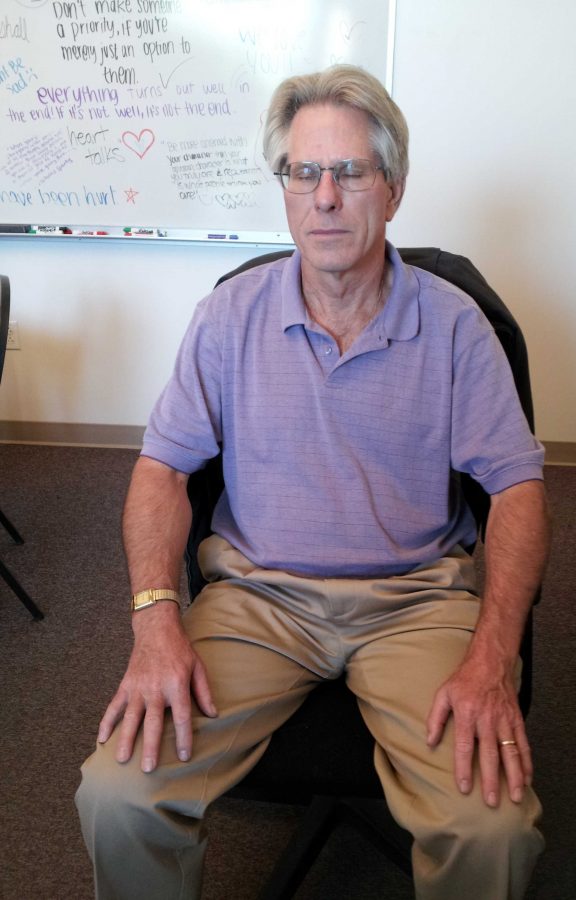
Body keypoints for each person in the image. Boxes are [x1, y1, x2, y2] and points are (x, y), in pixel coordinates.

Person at [76, 64, 550, 900]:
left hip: (416, 600)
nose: (324, 196)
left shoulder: (455, 326)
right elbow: (160, 468)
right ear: (285, 188)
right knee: (118, 796)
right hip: (259, 599)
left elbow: (517, 489)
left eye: (350, 172)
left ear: (392, 190)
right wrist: (155, 621)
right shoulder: (230, 316)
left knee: (493, 828)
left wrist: (492, 654)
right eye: (303, 172)